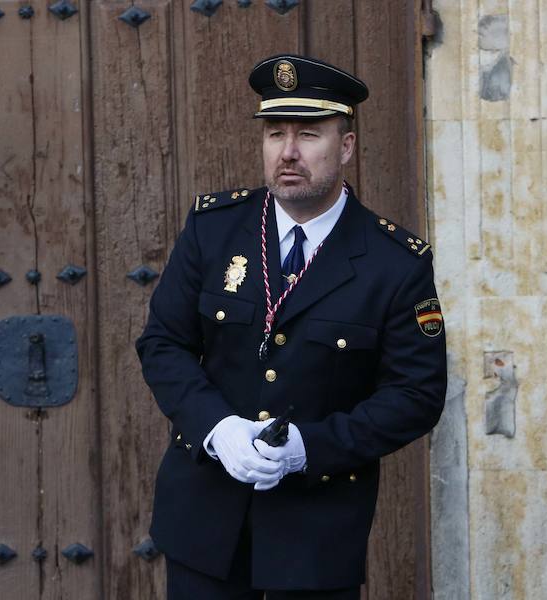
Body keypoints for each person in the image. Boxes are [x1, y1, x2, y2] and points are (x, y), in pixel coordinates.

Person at [136, 54, 447, 600]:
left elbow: (416, 394)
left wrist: (311, 447)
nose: (288, 152)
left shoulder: (394, 262)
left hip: (317, 535)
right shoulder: (214, 230)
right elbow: (163, 344)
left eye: (308, 134)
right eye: (275, 133)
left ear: (346, 146)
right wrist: (217, 428)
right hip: (204, 524)